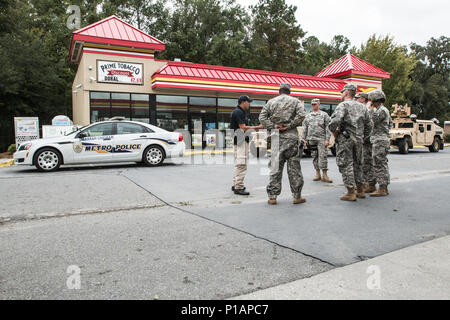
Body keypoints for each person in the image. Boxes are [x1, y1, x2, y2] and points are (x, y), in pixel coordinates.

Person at [259, 83, 306, 205]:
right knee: (294, 169)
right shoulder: (295, 101)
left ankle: (272, 197)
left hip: (276, 138)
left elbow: (262, 118)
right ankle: (297, 196)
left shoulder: (271, 102)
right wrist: (289, 125)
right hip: (291, 138)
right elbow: (302, 115)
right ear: (289, 91)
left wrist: (274, 126)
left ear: (279, 91)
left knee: (275, 168)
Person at [328, 84, 373, 201]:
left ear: (347, 92)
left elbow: (335, 120)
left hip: (345, 139)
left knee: (346, 164)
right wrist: (363, 136)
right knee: (358, 164)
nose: (341, 94)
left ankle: (350, 192)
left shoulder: (343, 105)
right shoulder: (363, 107)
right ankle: (361, 190)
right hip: (358, 139)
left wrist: (334, 131)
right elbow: (370, 125)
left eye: (342, 92)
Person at [230, 95, 263, 195]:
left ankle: (236, 184)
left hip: (239, 141)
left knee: (238, 164)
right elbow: (243, 127)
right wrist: (257, 127)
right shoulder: (239, 112)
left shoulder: (240, 112)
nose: (249, 104)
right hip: (241, 141)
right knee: (241, 164)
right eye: (248, 102)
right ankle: (238, 187)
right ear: (243, 102)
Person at [368, 90, 393, 197]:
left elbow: (371, 121)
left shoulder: (381, 110)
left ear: (375, 99)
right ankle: (383, 187)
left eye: (371, 100)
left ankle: (382, 188)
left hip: (380, 141)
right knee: (381, 163)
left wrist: (369, 110)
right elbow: (390, 124)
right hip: (381, 139)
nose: (370, 102)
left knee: (379, 163)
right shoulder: (383, 110)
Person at [301, 98, 332, 183]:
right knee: (314, 157)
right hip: (311, 139)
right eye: (312, 104)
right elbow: (305, 128)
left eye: (315, 104)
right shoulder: (308, 115)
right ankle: (317, 174)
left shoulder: (324, 115)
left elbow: (328, 128)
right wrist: (304, 139)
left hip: (321, 139)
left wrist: (327, 139)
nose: (313, 105)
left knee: (323, 156)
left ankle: (324, 175)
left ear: (319, 104)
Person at [355, 92, 377, 193]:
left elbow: (370, 126)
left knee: (368, 161)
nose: (356, 100)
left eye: (358, 98)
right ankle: (363, 183)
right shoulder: (362, 109)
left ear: (363, 99)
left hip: (367, 140)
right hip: (362, 140)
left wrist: (366, 137)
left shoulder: (369, 110)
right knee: (362, 162)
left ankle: (371, 184)